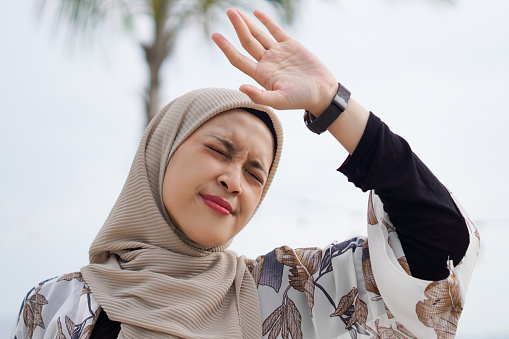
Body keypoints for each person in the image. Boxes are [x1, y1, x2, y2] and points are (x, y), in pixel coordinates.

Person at [11, 8, 479, 339]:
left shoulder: (287, 295)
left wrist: (333, 104)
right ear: (160, 153)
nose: (235, 180)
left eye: (256, 174)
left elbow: (439, 246)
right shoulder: (53, 307)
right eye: (220, 150)